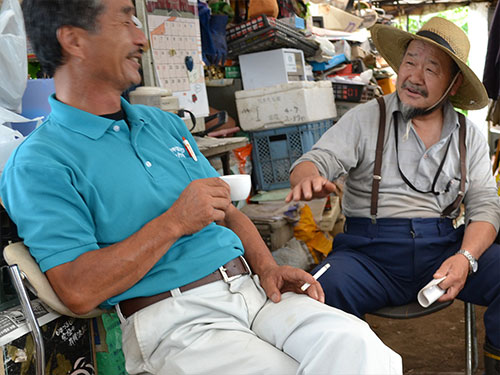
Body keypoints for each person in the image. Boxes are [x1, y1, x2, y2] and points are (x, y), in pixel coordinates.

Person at [0, 0, 403, 374]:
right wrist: (174, 222)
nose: (141, 37)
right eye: (124, 19)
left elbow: (225, 211)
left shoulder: (162, 124)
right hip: (173, 319)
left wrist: (268, 267)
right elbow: (78, 290)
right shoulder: (40, 161)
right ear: (74, 40)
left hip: (252, 290)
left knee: (361, 349)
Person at [287, 16, 500, 373]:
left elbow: (484, 208)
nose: (414, 77)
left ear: (454, 83)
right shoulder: (366, 118)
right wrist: (308, 176)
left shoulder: (469, 136)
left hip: (444, 253)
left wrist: (466, 257)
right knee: (317, 295)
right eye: (410, 62)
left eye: (431, 69)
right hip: (368, 258)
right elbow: (314, 160)